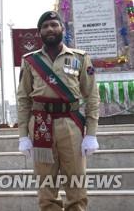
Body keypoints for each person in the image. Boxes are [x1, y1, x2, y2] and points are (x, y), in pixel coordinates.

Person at [17, 11, 100, 211]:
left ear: (62, 28)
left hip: (70, 123)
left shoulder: (80, 58)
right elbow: (23, 99)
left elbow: (92, 96)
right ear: (40, 33)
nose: (50, 29)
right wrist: (23, 136)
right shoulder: (30, 61)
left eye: (54, 24)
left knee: (76, 184)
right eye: (45, 26)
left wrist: (92, 133)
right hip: (40, 125)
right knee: (46, 187)